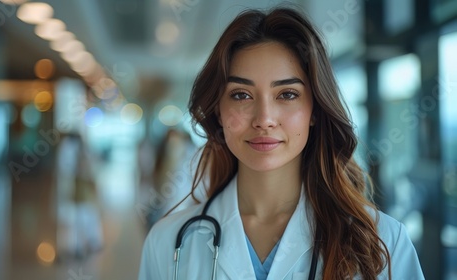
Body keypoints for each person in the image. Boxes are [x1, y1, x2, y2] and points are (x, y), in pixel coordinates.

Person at [138, 6, 425, 280]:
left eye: (287, 94)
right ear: (219, 110)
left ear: (314, 110)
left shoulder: (382, 241)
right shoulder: (168, 242)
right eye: (241, 95)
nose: (264, 119)